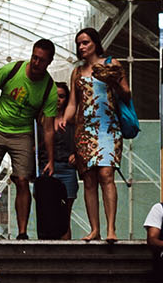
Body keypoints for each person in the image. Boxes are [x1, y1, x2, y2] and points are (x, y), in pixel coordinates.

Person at [0, 39, 61, 240]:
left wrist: (51, 160)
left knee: (22, 180)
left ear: (49, 62)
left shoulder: (49, 89)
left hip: (22, 134)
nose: (36, 63)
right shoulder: (14, 69)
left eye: (42, 60)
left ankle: (22, 232)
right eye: (34, 57)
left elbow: (48, 129)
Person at [52, 29, 129, 243]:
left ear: (95, 43)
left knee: (106, 175)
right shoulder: (77, 72)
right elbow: (73, 103)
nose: (81, 47)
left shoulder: (112, 63)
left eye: (85, 42)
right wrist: (64, 119)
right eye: (79, 44)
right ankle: (95, 229)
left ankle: (111, 228)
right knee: (89, 179)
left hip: (108, 128)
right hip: (85, 130)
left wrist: (112, 80)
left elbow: (127, 93)